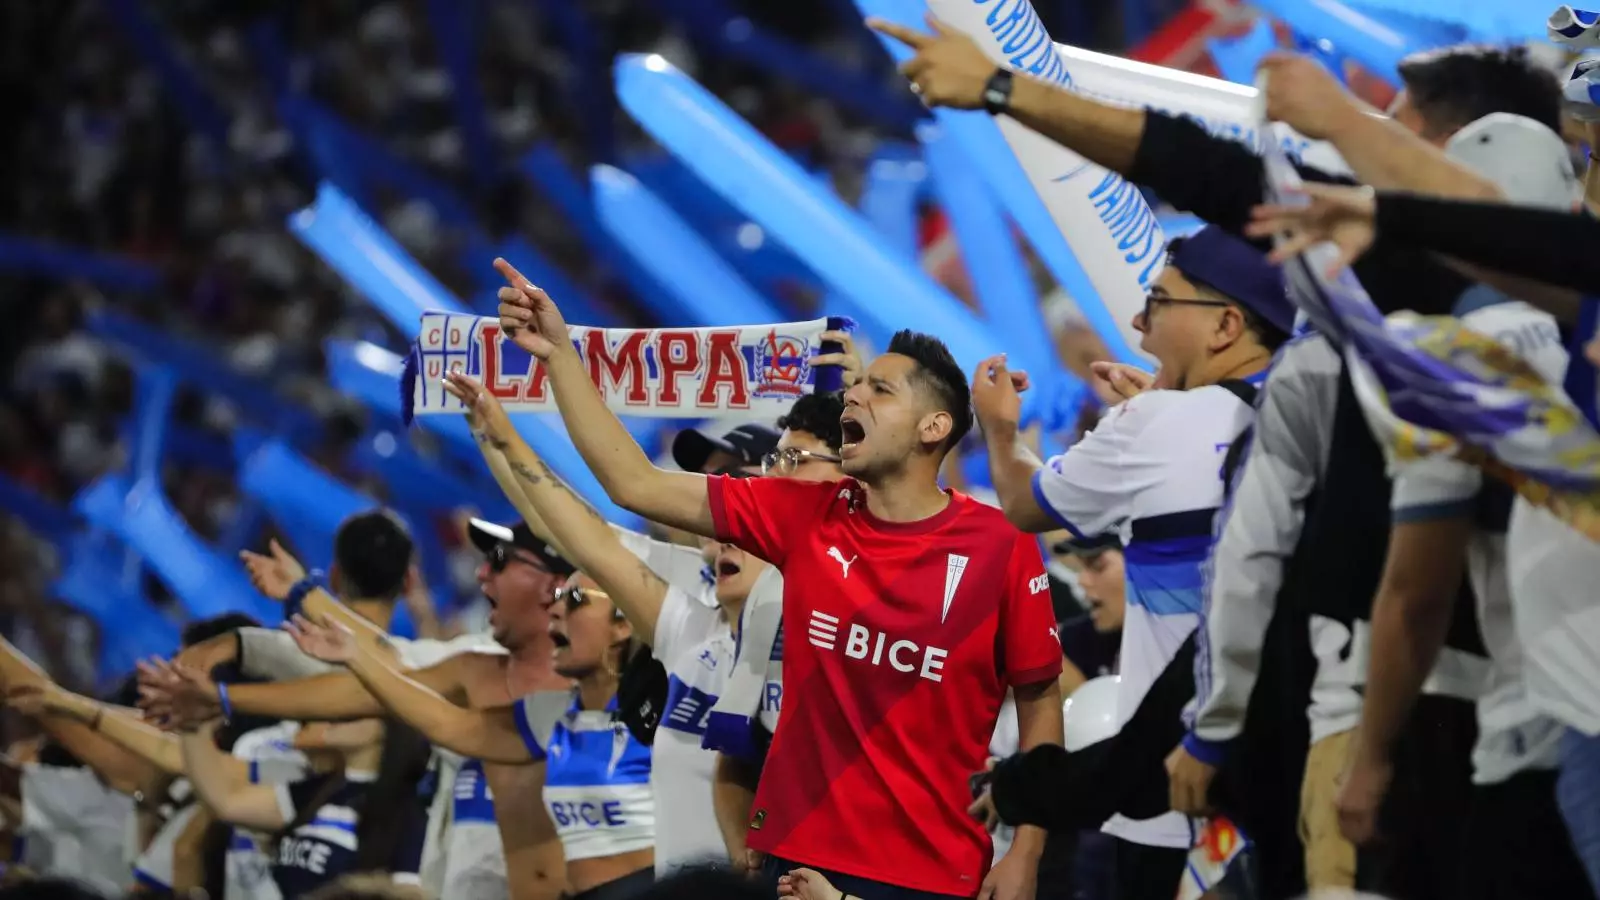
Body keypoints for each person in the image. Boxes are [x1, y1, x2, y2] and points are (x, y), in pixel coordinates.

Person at [492, 256, 1064, 900]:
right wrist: (560, 355)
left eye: (881, 390)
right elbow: (634, 482)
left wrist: (1028, 852)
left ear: (933, 429)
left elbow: (1041, 701)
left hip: (930, 874)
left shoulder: (1000, 546)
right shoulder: (803, 513)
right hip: (794, 861)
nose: (853, 394)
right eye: (858, 385)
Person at [971, 225, 1288, 900]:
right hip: (1287, 779)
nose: (1140, 324)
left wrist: (1000, 428)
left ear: (1227, 324)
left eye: (1159, 302)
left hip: (1167, 796)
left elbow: (1024, 503)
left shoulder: (1154, 424)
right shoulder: (1307, 417)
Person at [440, 371, 848, 876]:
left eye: (743, 493)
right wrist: (498, 436)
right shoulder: (691, 630)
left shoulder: (841, 635)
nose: (716, 533)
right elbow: (576, 533)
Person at [139, 516, 573, 900]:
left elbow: (378, 673)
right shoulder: (471, 672)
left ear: (557, 584)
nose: (481, 574)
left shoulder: (603, 692)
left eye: (500, 560)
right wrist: (230, 687)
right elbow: (375, 681)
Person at [279, 570, 657, 900]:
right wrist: (355, 657)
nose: (556, 610)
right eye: (558, 597)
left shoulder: (664, 716)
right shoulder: (552, 714)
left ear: (623, 624)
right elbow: (448, 723)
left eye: (574, 600)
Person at [178, 713, 430, 898]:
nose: (337, 713)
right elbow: (225, 801)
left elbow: (408, 893)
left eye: (355, 710)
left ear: (387, 728)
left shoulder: (406, 811)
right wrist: (191, 722)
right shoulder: (317, 791)